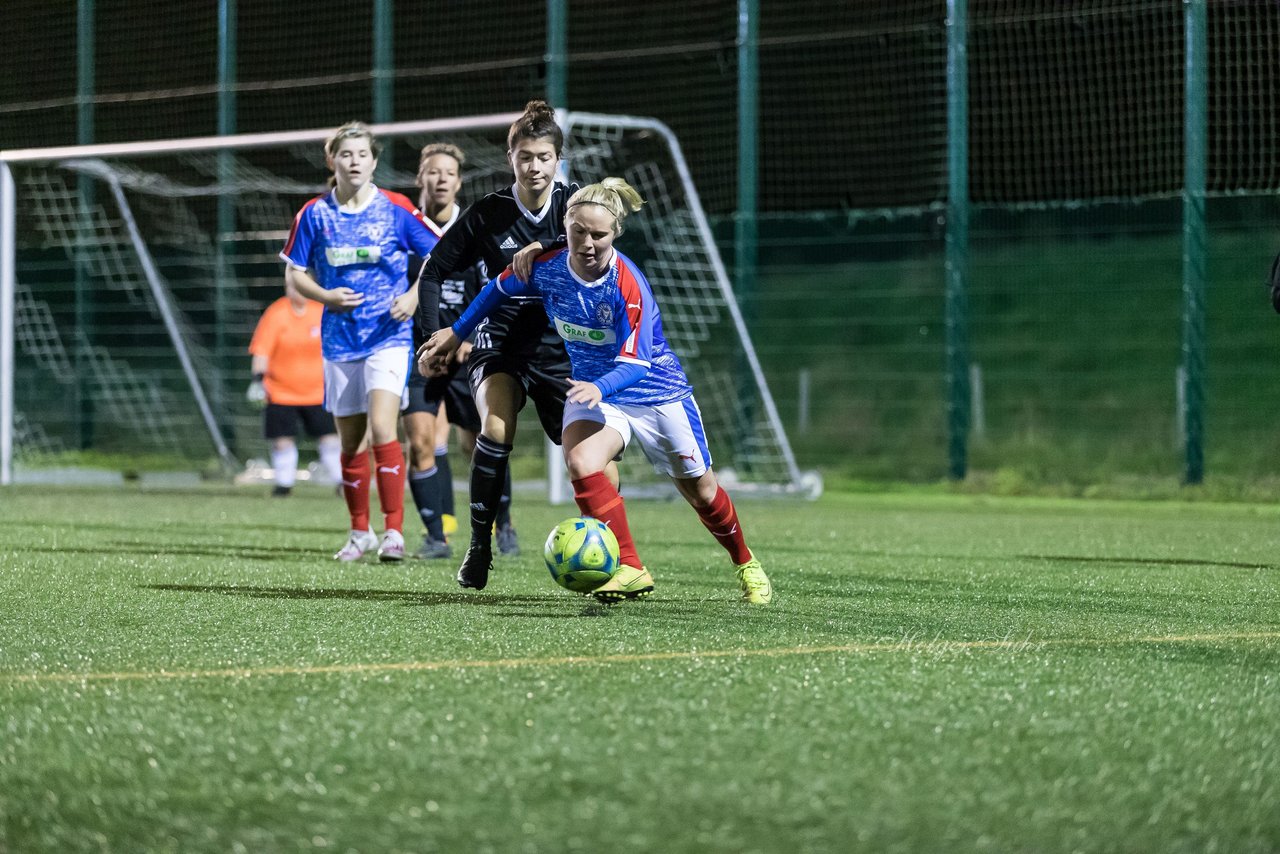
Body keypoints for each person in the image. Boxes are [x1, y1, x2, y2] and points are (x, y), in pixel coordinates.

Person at [422, 178, 774, 605]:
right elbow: (497, 289)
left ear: (616, 233)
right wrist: (455, 333)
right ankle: (629, 566)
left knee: (700, 490)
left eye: (599, 234)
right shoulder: (549, 267)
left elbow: (638, 361)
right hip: (596, 395)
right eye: (578, 232)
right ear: (565, 227)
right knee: (581, 460)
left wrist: (597, 385)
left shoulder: (628, 284)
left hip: (654, 391)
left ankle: (745, 562)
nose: (587, 243)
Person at [415, 99, 618, 590]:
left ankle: (616, 552)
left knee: (595, 461)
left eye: (544, 157)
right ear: (511, 158)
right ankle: (480, 546)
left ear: (558, 160)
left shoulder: (576, 208)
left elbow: (607, 251)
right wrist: (431, 340)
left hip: (559, 348)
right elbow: (433, 272)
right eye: (525, 156)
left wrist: (547, 248)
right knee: (496, 427)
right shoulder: (488, 214)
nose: (534, 167)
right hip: (498, 341)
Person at [281, 120, 441, 562]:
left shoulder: (395, 208)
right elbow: (294, 272)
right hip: (339, 341)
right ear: (332, 160)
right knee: (350, 443)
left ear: (374, 161)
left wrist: (412, 296)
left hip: (388, 337)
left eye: (362, 155)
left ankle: (393, 532)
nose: (355, 162)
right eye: (346, 155)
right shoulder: (314, 214)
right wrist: (326, 295)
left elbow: (438, 255)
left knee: (384, 431)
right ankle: (359, 532)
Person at [402, 142, 518, 560]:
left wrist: (471, 337)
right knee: (418, 441)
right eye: (433, 171)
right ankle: (436, 536)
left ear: (458, 182)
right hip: (424, 355)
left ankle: (504, 524)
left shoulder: (473, 227)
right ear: (421, 178)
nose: (441, 179)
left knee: (482, 443)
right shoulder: (405, 228)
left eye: (449, 173)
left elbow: (493, 289)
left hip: (468, 354)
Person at [246, 277, 342, 496]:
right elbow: (262, 350)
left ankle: (341, 482)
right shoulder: (276, 313)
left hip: (318, 392)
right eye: (291, 286)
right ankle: (284, 484)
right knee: (282, 441)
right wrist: (257, 381)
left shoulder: (321, 311)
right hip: (281, 393)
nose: (295, 290)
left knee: (329, 438)